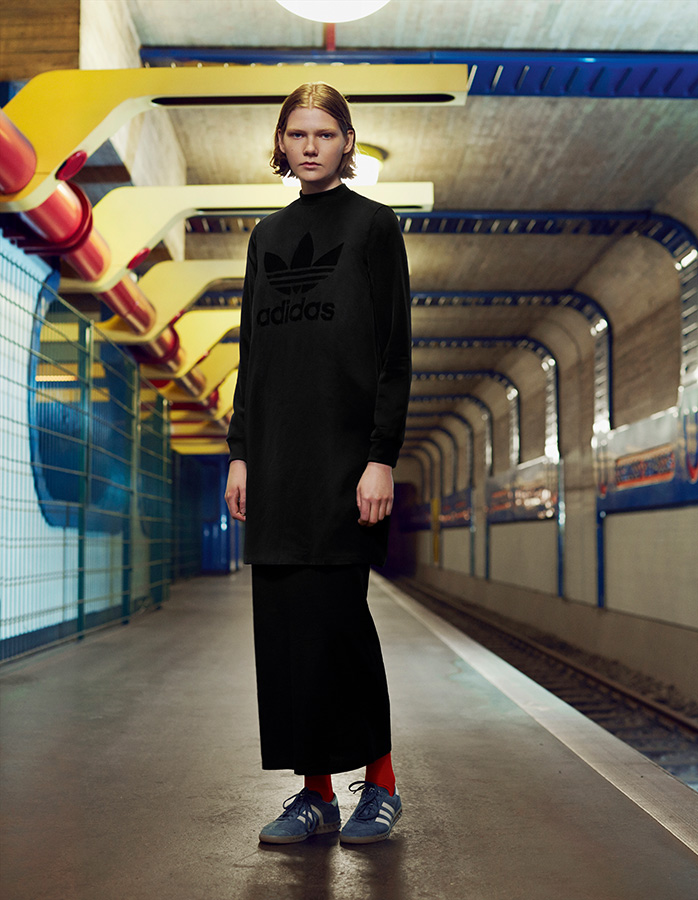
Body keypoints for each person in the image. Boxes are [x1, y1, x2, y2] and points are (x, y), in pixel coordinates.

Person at [224, 82, 411, 845]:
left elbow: (395, 353)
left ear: (347, 143)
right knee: (286, 635)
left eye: (324, 134)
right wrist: (240, 453)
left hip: (344, 466)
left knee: (340, 629)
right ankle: (315, 795)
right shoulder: (266, 237)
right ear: (281, 144)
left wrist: (380, 457)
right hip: (275, 465)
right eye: (297, 134)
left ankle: (382, 785)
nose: (309, 146)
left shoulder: (374, 227)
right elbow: (253, 354)